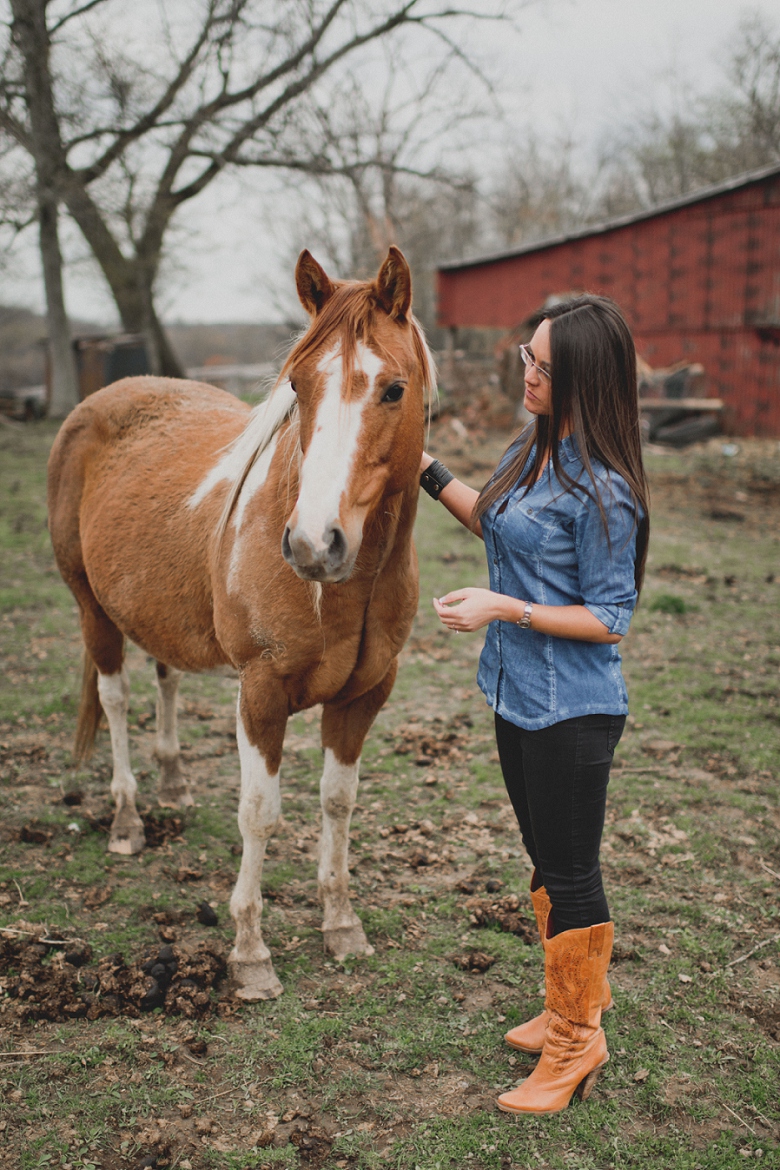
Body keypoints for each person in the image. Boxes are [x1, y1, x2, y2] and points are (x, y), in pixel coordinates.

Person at [420, 294, 649, 1116]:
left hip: (574, 712)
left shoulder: (605, 490)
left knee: (574, 875)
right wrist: (424, 467)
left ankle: (576, 1038)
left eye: (544, 367)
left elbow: (610, 617)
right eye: (528, 355)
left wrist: (503, 607)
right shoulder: (533, 447)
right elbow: (498, 524)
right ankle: (568, 1002)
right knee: (547, 865)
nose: (527, 372)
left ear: (584, 378)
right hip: (515, 693)